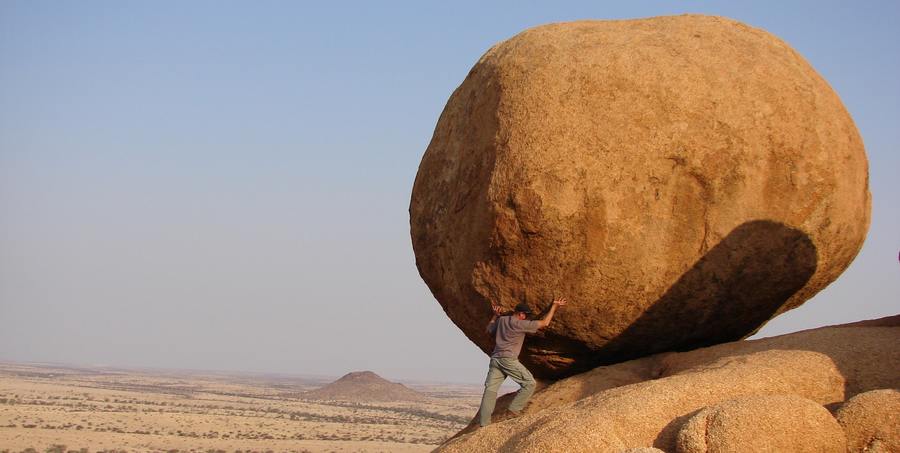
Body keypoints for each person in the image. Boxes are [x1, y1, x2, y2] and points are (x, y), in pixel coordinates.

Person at [477, 297, 567, 427]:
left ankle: (484, 424)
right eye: (525, 315)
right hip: (509, 359)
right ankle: (514, 409)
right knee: (529, 383)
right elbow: (545, 323)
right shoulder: (520, 324)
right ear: (520, 314)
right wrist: (554, 306)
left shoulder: (502, 320)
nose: (526, 318)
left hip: (496, 359)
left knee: (490, 390)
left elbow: (489, 330)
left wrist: (494, 316)